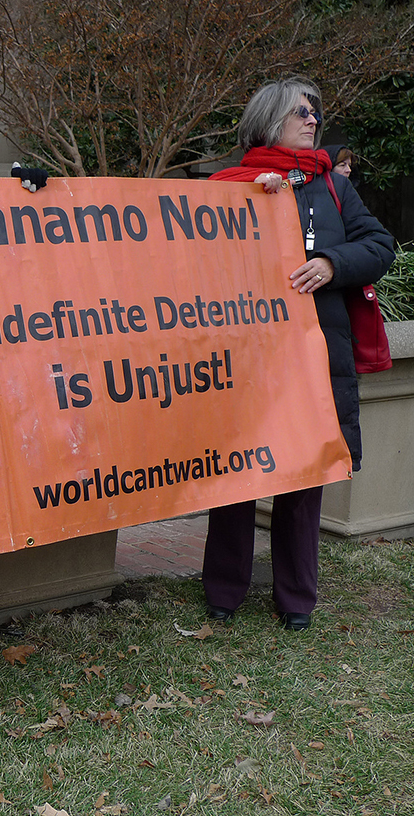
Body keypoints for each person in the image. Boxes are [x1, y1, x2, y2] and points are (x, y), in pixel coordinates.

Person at [203, 77, 394, 631]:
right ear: (268, 122)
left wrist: (333, 262)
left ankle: (295, 600)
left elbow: (378, 244)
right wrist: (249, 210)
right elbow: (197, 266)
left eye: (314, 112)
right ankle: (223, 591)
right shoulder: (226, 186)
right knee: (237, 471)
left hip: (315, 358)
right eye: (300, 112)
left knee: (303, 476)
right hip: (247, 357)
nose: (313, 120)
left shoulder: (334, 187)